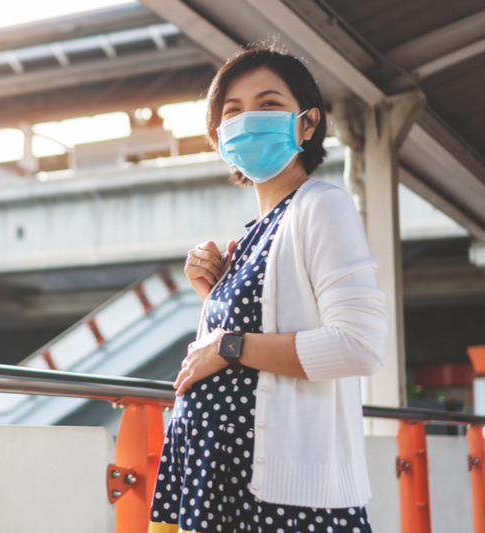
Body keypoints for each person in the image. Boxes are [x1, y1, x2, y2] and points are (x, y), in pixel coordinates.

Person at [148, 45, 388, 533]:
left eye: (270, 104)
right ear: (219, 138)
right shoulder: (255, 232)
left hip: (276, 495)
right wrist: (212, 296)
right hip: (213, 479)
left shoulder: (320, 206)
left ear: (307, 123)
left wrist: (229, 344)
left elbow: (359, 346)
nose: (248, 119)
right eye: (232, 111)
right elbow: (260, 348)